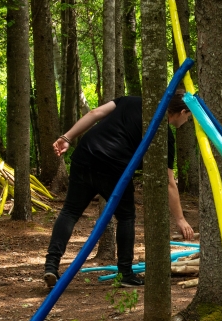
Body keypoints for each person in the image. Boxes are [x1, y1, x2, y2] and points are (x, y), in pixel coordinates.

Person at [43, 94, 195, 288]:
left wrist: (67, 137)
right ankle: (125, 273)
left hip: (85, 154)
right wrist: (180, 219)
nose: (187, 120)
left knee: (70, 212)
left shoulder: (132, 101)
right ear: (181, 112)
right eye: (188, 116)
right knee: (126, 217)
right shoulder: (163, 135)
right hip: (112, 167)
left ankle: (51, 265)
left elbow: (95, 113)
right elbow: (169, 182)